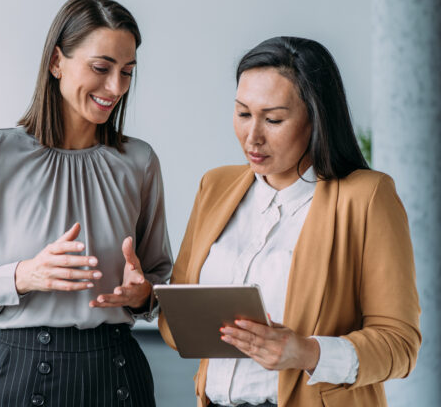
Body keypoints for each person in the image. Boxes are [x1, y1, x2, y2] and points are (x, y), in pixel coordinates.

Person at [0, 0, 172, 406]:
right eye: (101, 68)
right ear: (56, 62)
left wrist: (146, 295)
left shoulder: (139, 161)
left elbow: (162, 279)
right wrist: (22, 276)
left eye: (127, 72)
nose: (115, 87)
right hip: (25, 372)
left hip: (119, 371)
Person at [158, 36, 421, 407]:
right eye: (243, 113)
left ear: (316, 118)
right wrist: (145, 298)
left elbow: (400, 345)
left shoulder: (367, 196)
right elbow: (177, 330)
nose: (253, 137)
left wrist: (307, 352)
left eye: (274, 119)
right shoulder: (215, 186)